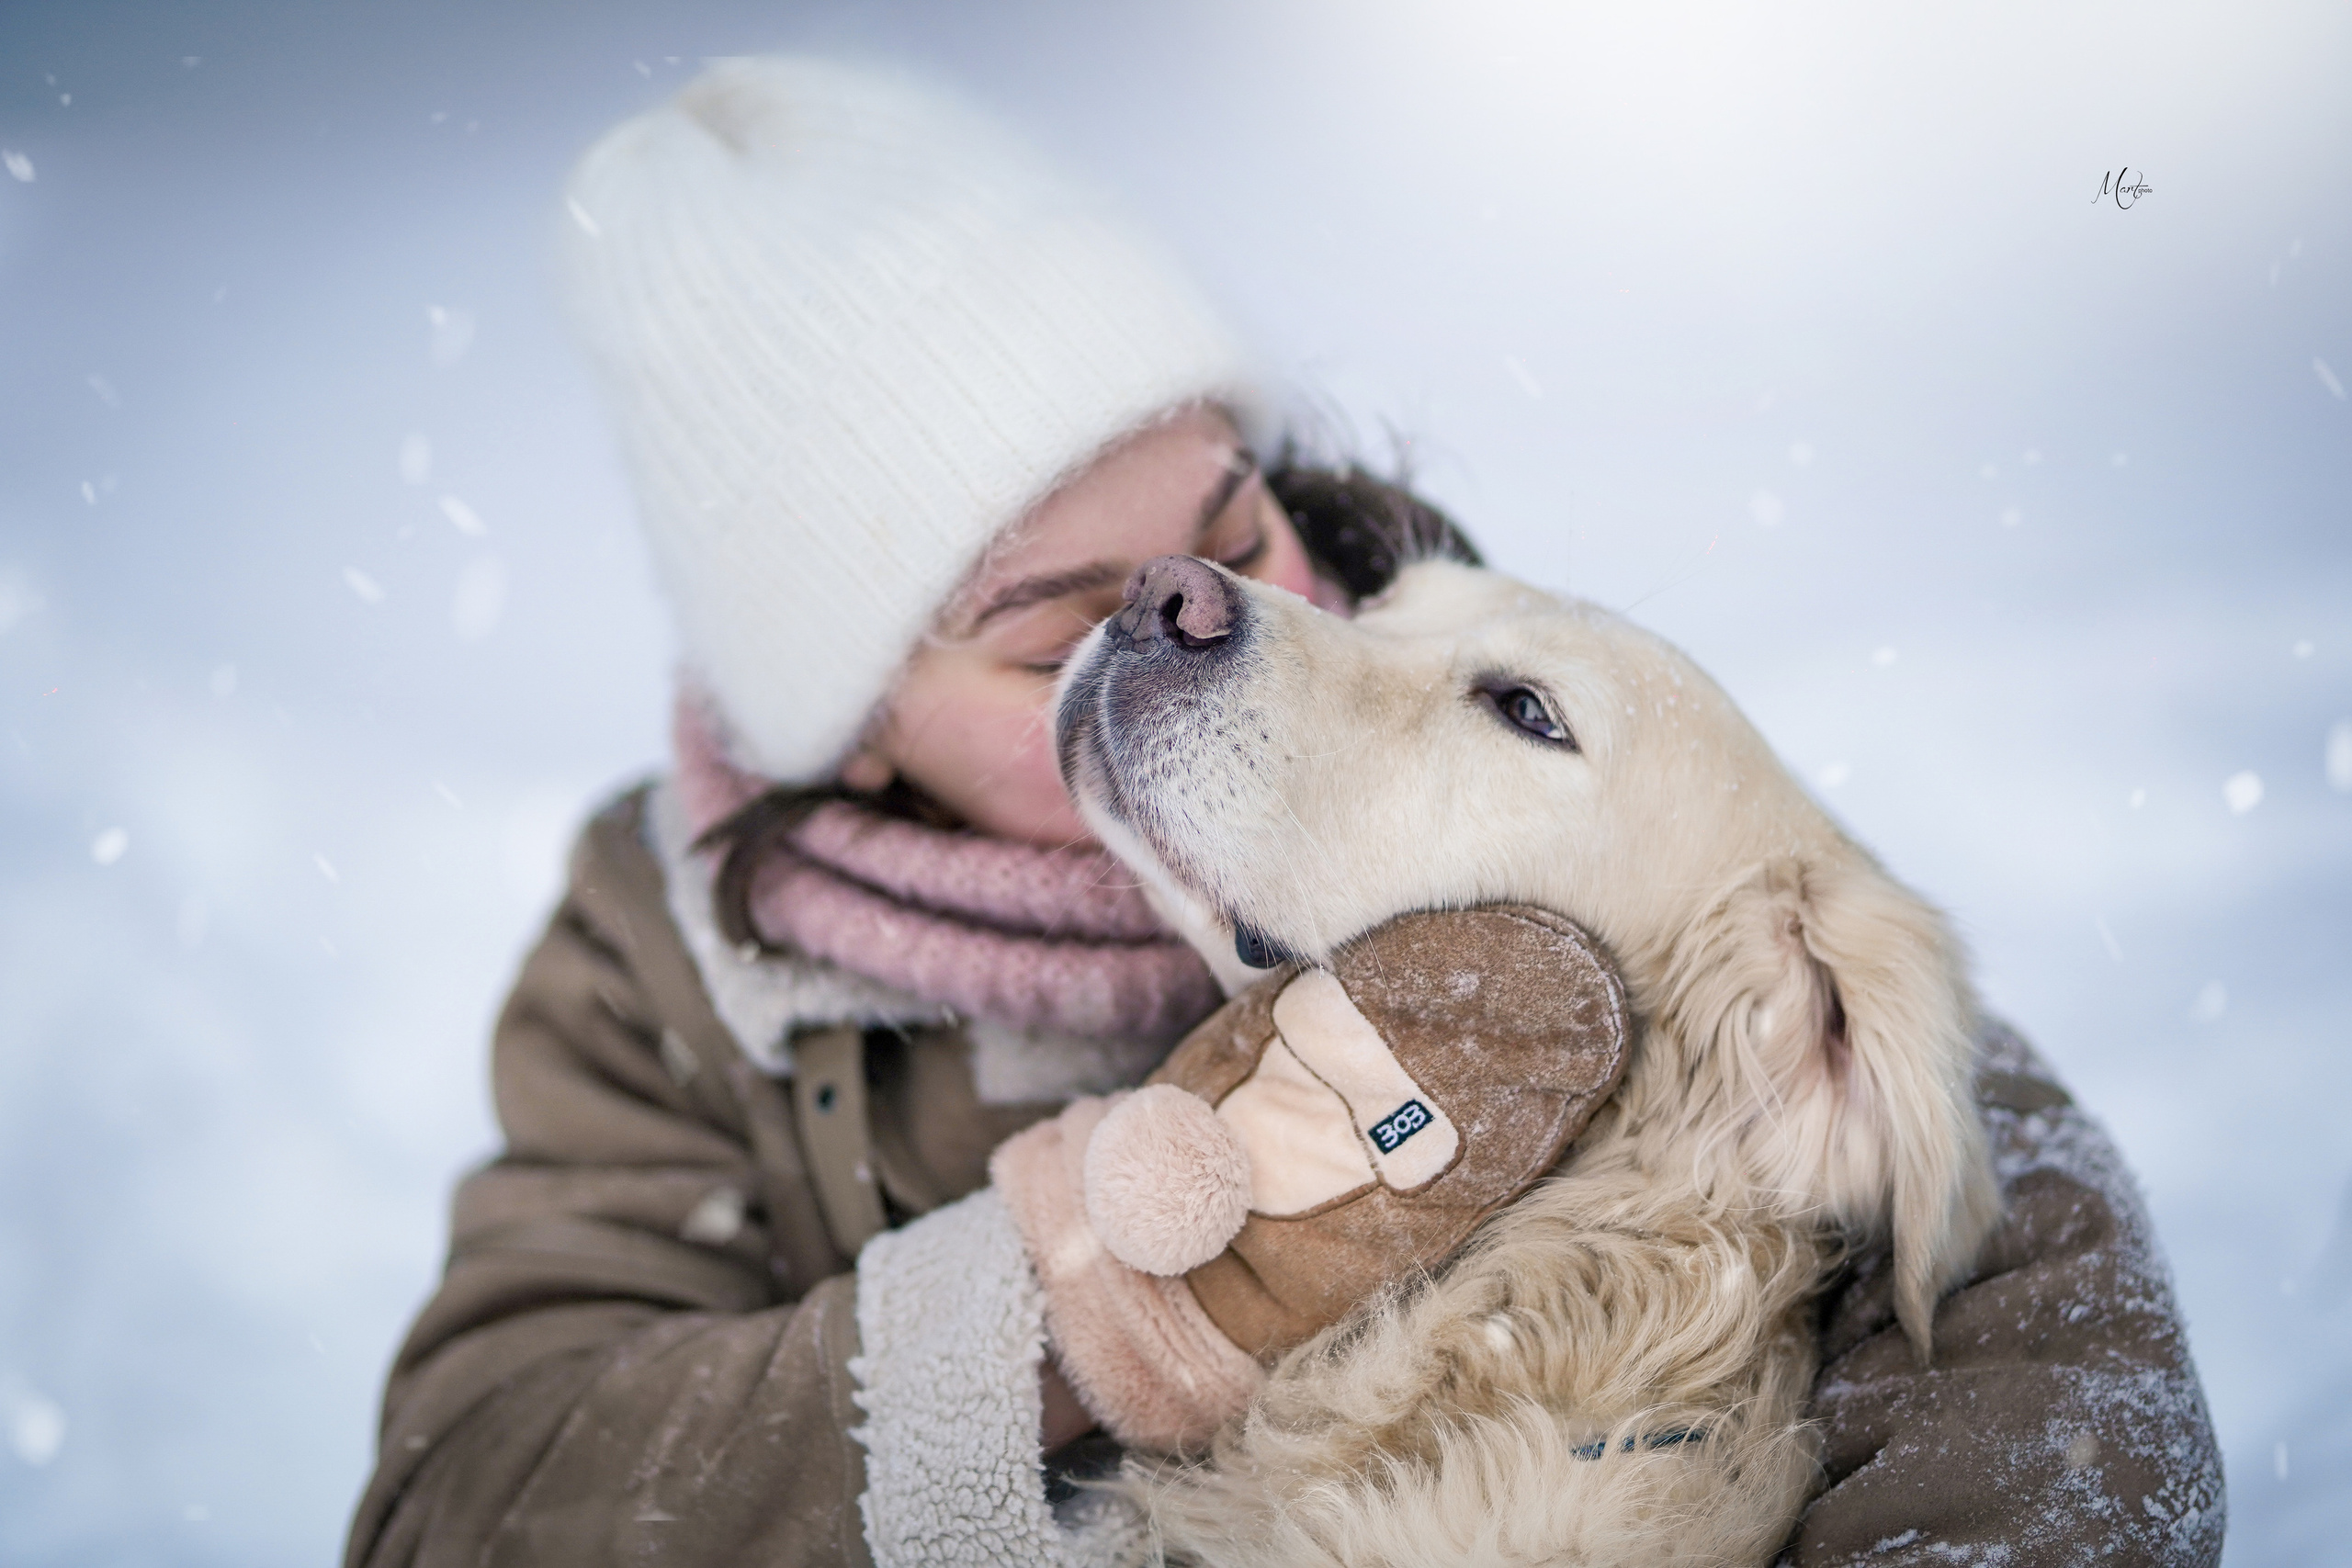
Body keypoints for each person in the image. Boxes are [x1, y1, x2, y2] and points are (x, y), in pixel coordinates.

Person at [346, 56, 2223, 1568]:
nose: (1206, 613)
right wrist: (1092, 1289)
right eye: (1059, 626)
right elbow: (466, 1499)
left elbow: (2018, 1275)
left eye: (1231, 530)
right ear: (845, 733)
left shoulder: (1534, 733)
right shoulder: (663, 968)